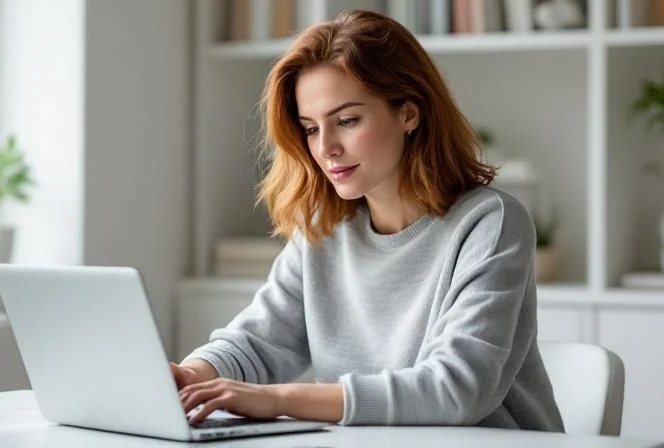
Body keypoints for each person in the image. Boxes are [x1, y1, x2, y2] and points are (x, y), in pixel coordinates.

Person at [172, 9, 564, 431]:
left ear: (409, 113)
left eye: (346, 121)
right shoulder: (323, 228)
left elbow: (457, 388)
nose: (326, 148)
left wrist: (278, 399)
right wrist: (193, 375)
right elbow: (259, 340)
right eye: (310, 128)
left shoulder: (490, 223)